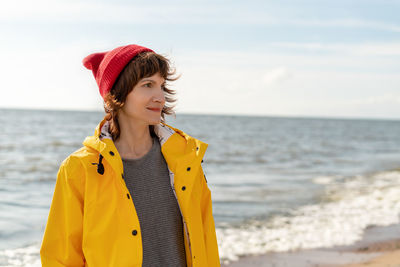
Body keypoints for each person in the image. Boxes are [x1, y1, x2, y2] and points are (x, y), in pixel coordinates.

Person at [39, 44, 220, 267]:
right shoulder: (80, 168)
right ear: (117, 93)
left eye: (162, 86)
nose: (160, 97)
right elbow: (61, 258)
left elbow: (206, 240)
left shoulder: (185, 159)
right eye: (147, 85)